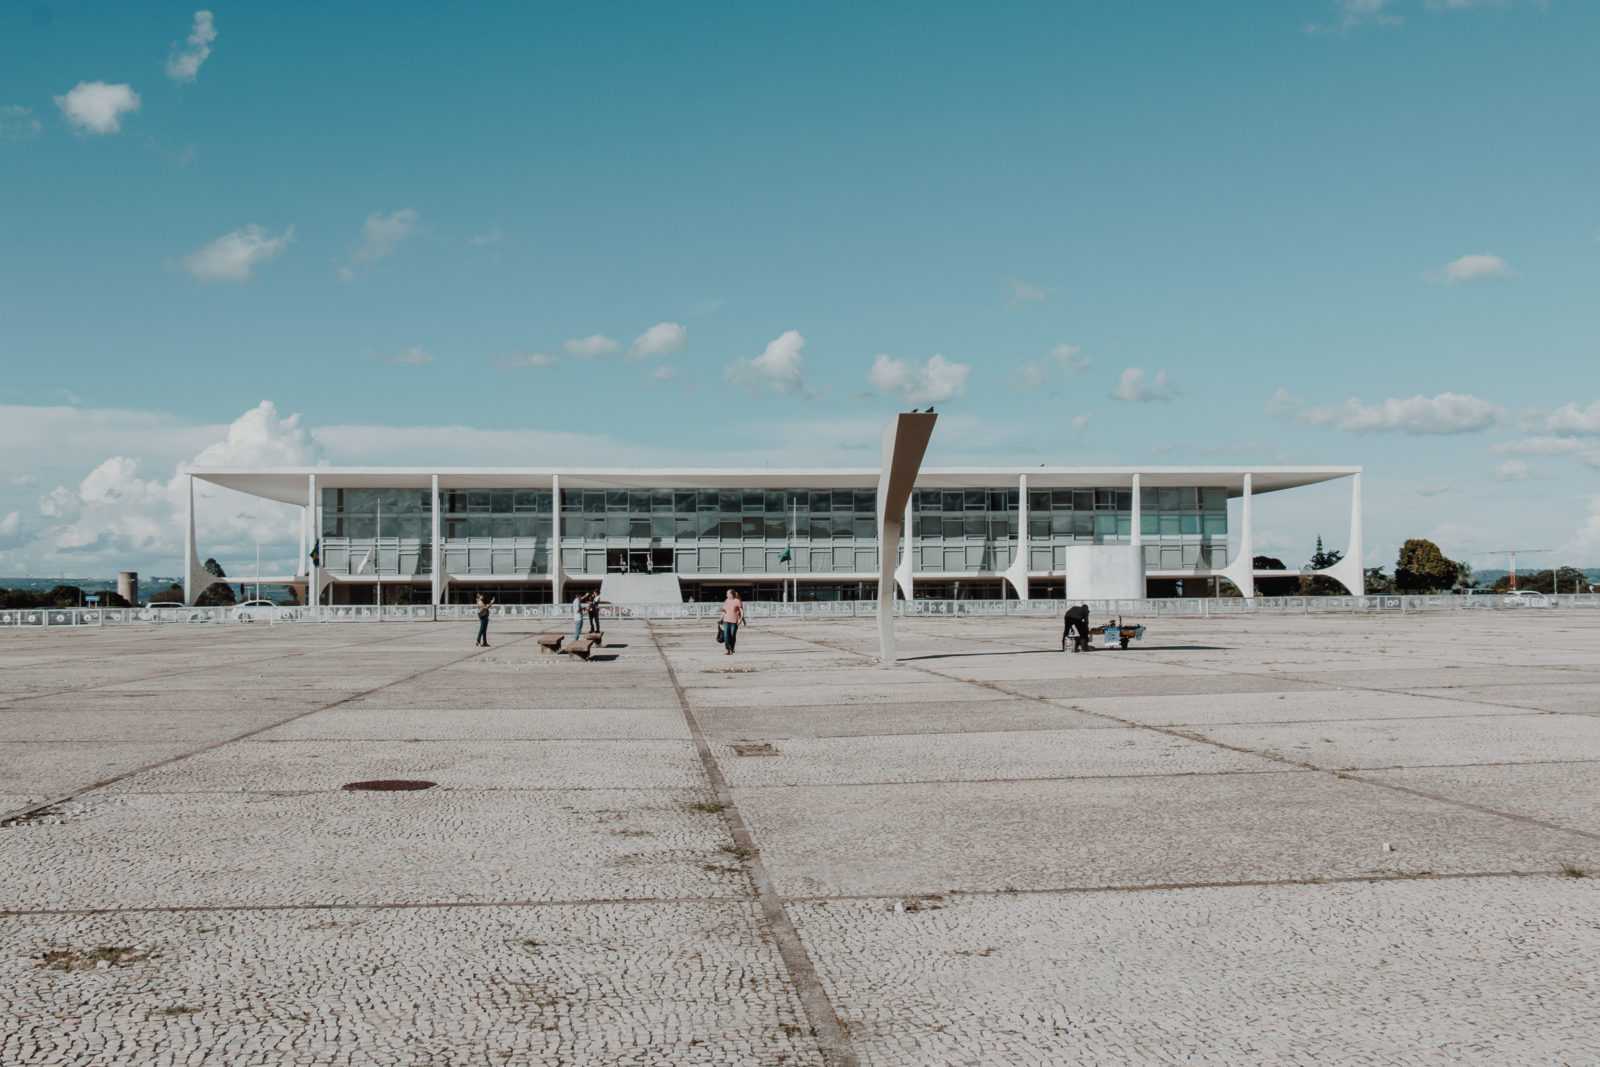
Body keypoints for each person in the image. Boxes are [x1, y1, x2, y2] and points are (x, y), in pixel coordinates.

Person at [719, 588, 745, 655]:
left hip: (734, 621)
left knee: (732, 636)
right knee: (726, 636)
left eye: (728, 593)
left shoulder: (737, 601)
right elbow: (724, 611)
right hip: (726, 620)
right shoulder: (726, 600)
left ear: (731, 594)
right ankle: (728, 650)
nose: (726, 594)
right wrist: (721, 619)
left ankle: (732, 649)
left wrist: (740, 619)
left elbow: (741, 611)